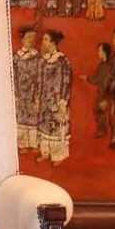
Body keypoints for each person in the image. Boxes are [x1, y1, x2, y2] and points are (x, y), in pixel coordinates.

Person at [36, 29, 72, 164]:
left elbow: (67, 82)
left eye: (46, 39)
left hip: (57, 100)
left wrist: (63, 102)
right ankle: (45, 152)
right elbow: (39, 80)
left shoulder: (62, 60)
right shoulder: (43, 60)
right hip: (45, 100)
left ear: (53, 42)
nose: (43, 42)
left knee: (57, 127)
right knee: (44, 125)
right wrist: (37, 98)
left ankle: (58, 156)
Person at [13, 27, 41, 153]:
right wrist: (15, 94)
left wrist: (38, 96)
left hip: (34, 92)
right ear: (22, 39)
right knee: (21, 117)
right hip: (21, 92)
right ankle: (23, 144)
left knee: (34, 117)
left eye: (33, 37)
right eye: (28, 37)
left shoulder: (38, 57)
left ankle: (34, 144)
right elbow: (13, 76)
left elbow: (41, 76)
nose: (31, 40)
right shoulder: (16, 57)